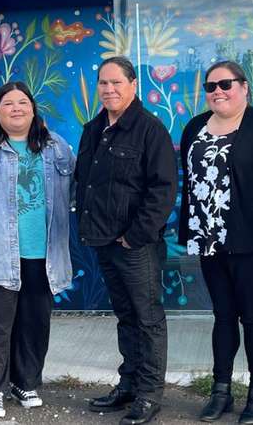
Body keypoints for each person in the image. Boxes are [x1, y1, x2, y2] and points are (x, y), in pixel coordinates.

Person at [178, 60, 253, 424]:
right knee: (221, 316)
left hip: (251, 240)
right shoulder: (194, 128)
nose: (218, 91)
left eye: (226, 84)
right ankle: (220, 391)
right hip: (207, 238)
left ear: (244, 87)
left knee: (252, 317)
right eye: (211, 86)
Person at [0, 81, 75, 419]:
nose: (17, 108)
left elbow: (78, 187)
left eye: (23, 102)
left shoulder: (56, 148)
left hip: (44, 255)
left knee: (35, 323)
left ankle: (26, 382)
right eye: (9, 103)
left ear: (33, 110)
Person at [75, 56, 177, 425]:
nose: (109, 89)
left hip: (137, 246)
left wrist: (134, 237)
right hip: (102, 240)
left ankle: (149, 395)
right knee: (126, 317)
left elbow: (163, 190)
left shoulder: (150, 130)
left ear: (133, 85)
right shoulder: (93, 129)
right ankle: (129, 384)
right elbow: (85, 181)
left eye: (116, 82)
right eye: (103, 83)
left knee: (147, 318)